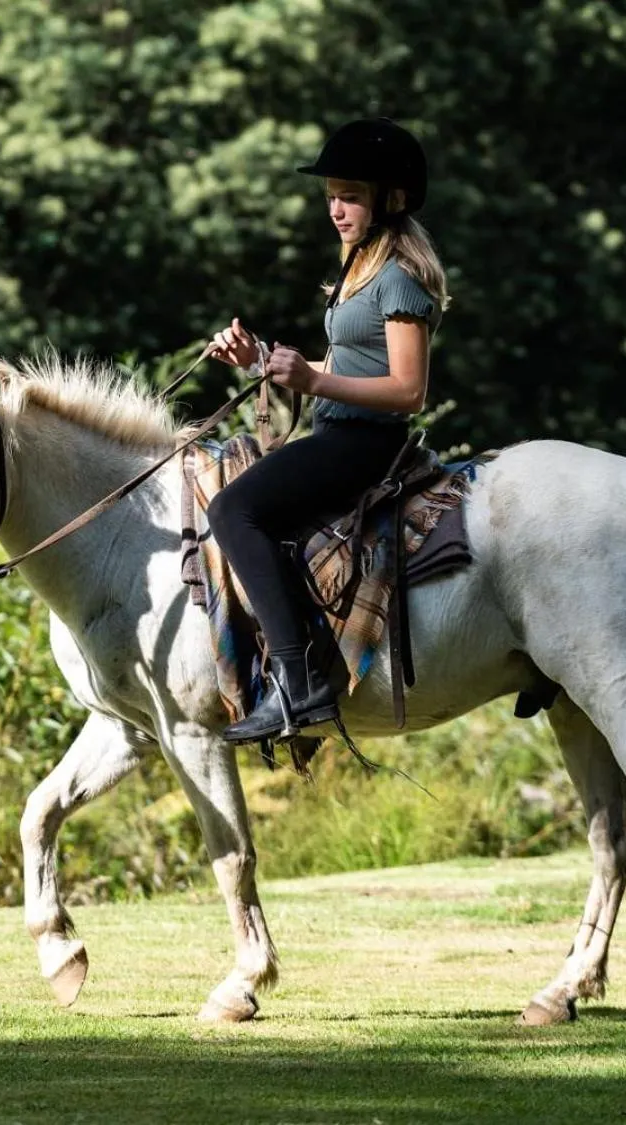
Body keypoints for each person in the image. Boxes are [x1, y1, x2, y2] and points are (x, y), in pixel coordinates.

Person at [204, 117, 450, 744]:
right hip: (339, 433)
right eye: (332, 196)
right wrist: (260, 361)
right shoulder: (354, 274)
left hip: (366, 445)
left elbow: (408, 390)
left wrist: (309, 384)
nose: (337, 209)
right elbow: (336, 369)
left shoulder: (398, 278)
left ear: (389, 200)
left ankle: (299, 684)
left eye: (352, 196)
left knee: (235, 510)